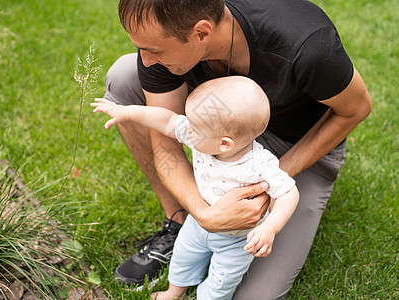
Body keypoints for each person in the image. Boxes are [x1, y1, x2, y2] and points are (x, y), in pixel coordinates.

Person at [101, 0, 372, 298]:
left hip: (295, 144)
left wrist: (269, 184)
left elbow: (357, 108)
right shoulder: (157, 42)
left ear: (202, 32)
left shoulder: (307, 46)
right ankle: (177, 223)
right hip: (211, 123)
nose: (147, 60)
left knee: (255, 296)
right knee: (125, 75)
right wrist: (203, 213)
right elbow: (165, 145)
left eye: (155, 50)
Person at [92, 76, 300, 299]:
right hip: (197, 225)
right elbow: (167, 120)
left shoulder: (259, 164)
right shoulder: (201, 136)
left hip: (238, 240)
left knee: (222, 282)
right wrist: (128, 112)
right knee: (182, 257)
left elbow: (289, 193)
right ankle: (174, 290)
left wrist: (270, 228)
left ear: (224, 144)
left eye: (193, 127)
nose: (186, 128)